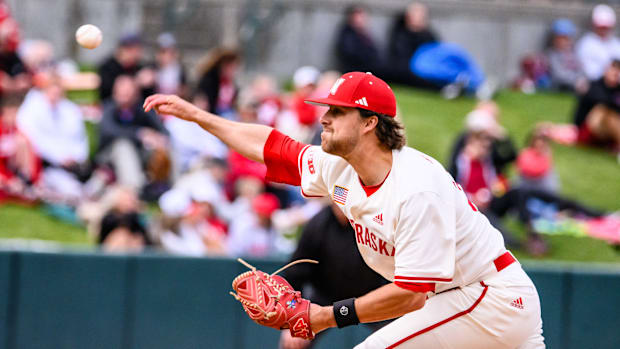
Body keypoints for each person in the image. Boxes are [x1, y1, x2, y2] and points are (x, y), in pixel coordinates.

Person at [144, 71, 544, 348]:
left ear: (370, 122)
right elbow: (273, 147)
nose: (324, 117)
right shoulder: (341, 166)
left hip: (485, 296)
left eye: (337, 111)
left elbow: (410, 295)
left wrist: (320, 317)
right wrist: (197, 116)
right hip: (466, 300)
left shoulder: (417, 189)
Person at [279, 204, 390, 349]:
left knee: (396, 337)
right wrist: (291, 319)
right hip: (325, 296)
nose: (343, 206)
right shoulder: (318, 224)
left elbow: (391, 271)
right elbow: (295, 274)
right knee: (293, 341)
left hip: (370, 295)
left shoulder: (373, 223)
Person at [97, 75, 169, 194]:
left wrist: (157, 138)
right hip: (109, 155)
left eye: (129, 93)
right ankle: (134, 191)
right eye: (122, 93)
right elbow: (108, 131)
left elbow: (164, 131)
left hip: (140, 154)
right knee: (123, 146)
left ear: (135, 94)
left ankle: (169, 186)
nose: (125, 97)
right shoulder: (108, 108)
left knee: (163, 146)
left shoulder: (142, 108)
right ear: (115, 93)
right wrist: (139, 134)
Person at [572, 60, 620, 159]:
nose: (615, 75)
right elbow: (604, 101)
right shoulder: (593, 86)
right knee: (603, 111)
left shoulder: (617, 90)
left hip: (607, 135)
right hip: (587, 132)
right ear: (606, 70)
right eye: (614, 71)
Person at [97, 33, 155, 101]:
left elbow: (147, 97)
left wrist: (149, 83)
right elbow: (106, 93)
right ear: (120, 49)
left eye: (137, 49)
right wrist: (136, 82)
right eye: (130, 49)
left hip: (136, 109)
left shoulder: (140, 68)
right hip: (112, 108)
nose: (134, 53)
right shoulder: (107, 67)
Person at [576, 4, 620, 81]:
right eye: (601, 27)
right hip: (596, 84)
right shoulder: (585, 44)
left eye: (606, 27)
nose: (604, 30)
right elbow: (589, 72)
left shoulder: (616, 43)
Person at [335, 5, 383, 74]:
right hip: (356, 68)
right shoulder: (348, 34)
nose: (360, 20)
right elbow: (350, 54)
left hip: (369, 66)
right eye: (358, 17)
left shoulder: (365, 33)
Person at [547, 19, 584, 92]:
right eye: (561, 38)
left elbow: (581, 68)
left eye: (567, 38)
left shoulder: (574, 53)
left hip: (577, 82)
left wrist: (581, 79)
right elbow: (558, 75)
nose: (564, 41)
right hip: (561, 85)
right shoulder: (552, 54)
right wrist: (576, 80)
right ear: (554, 39)